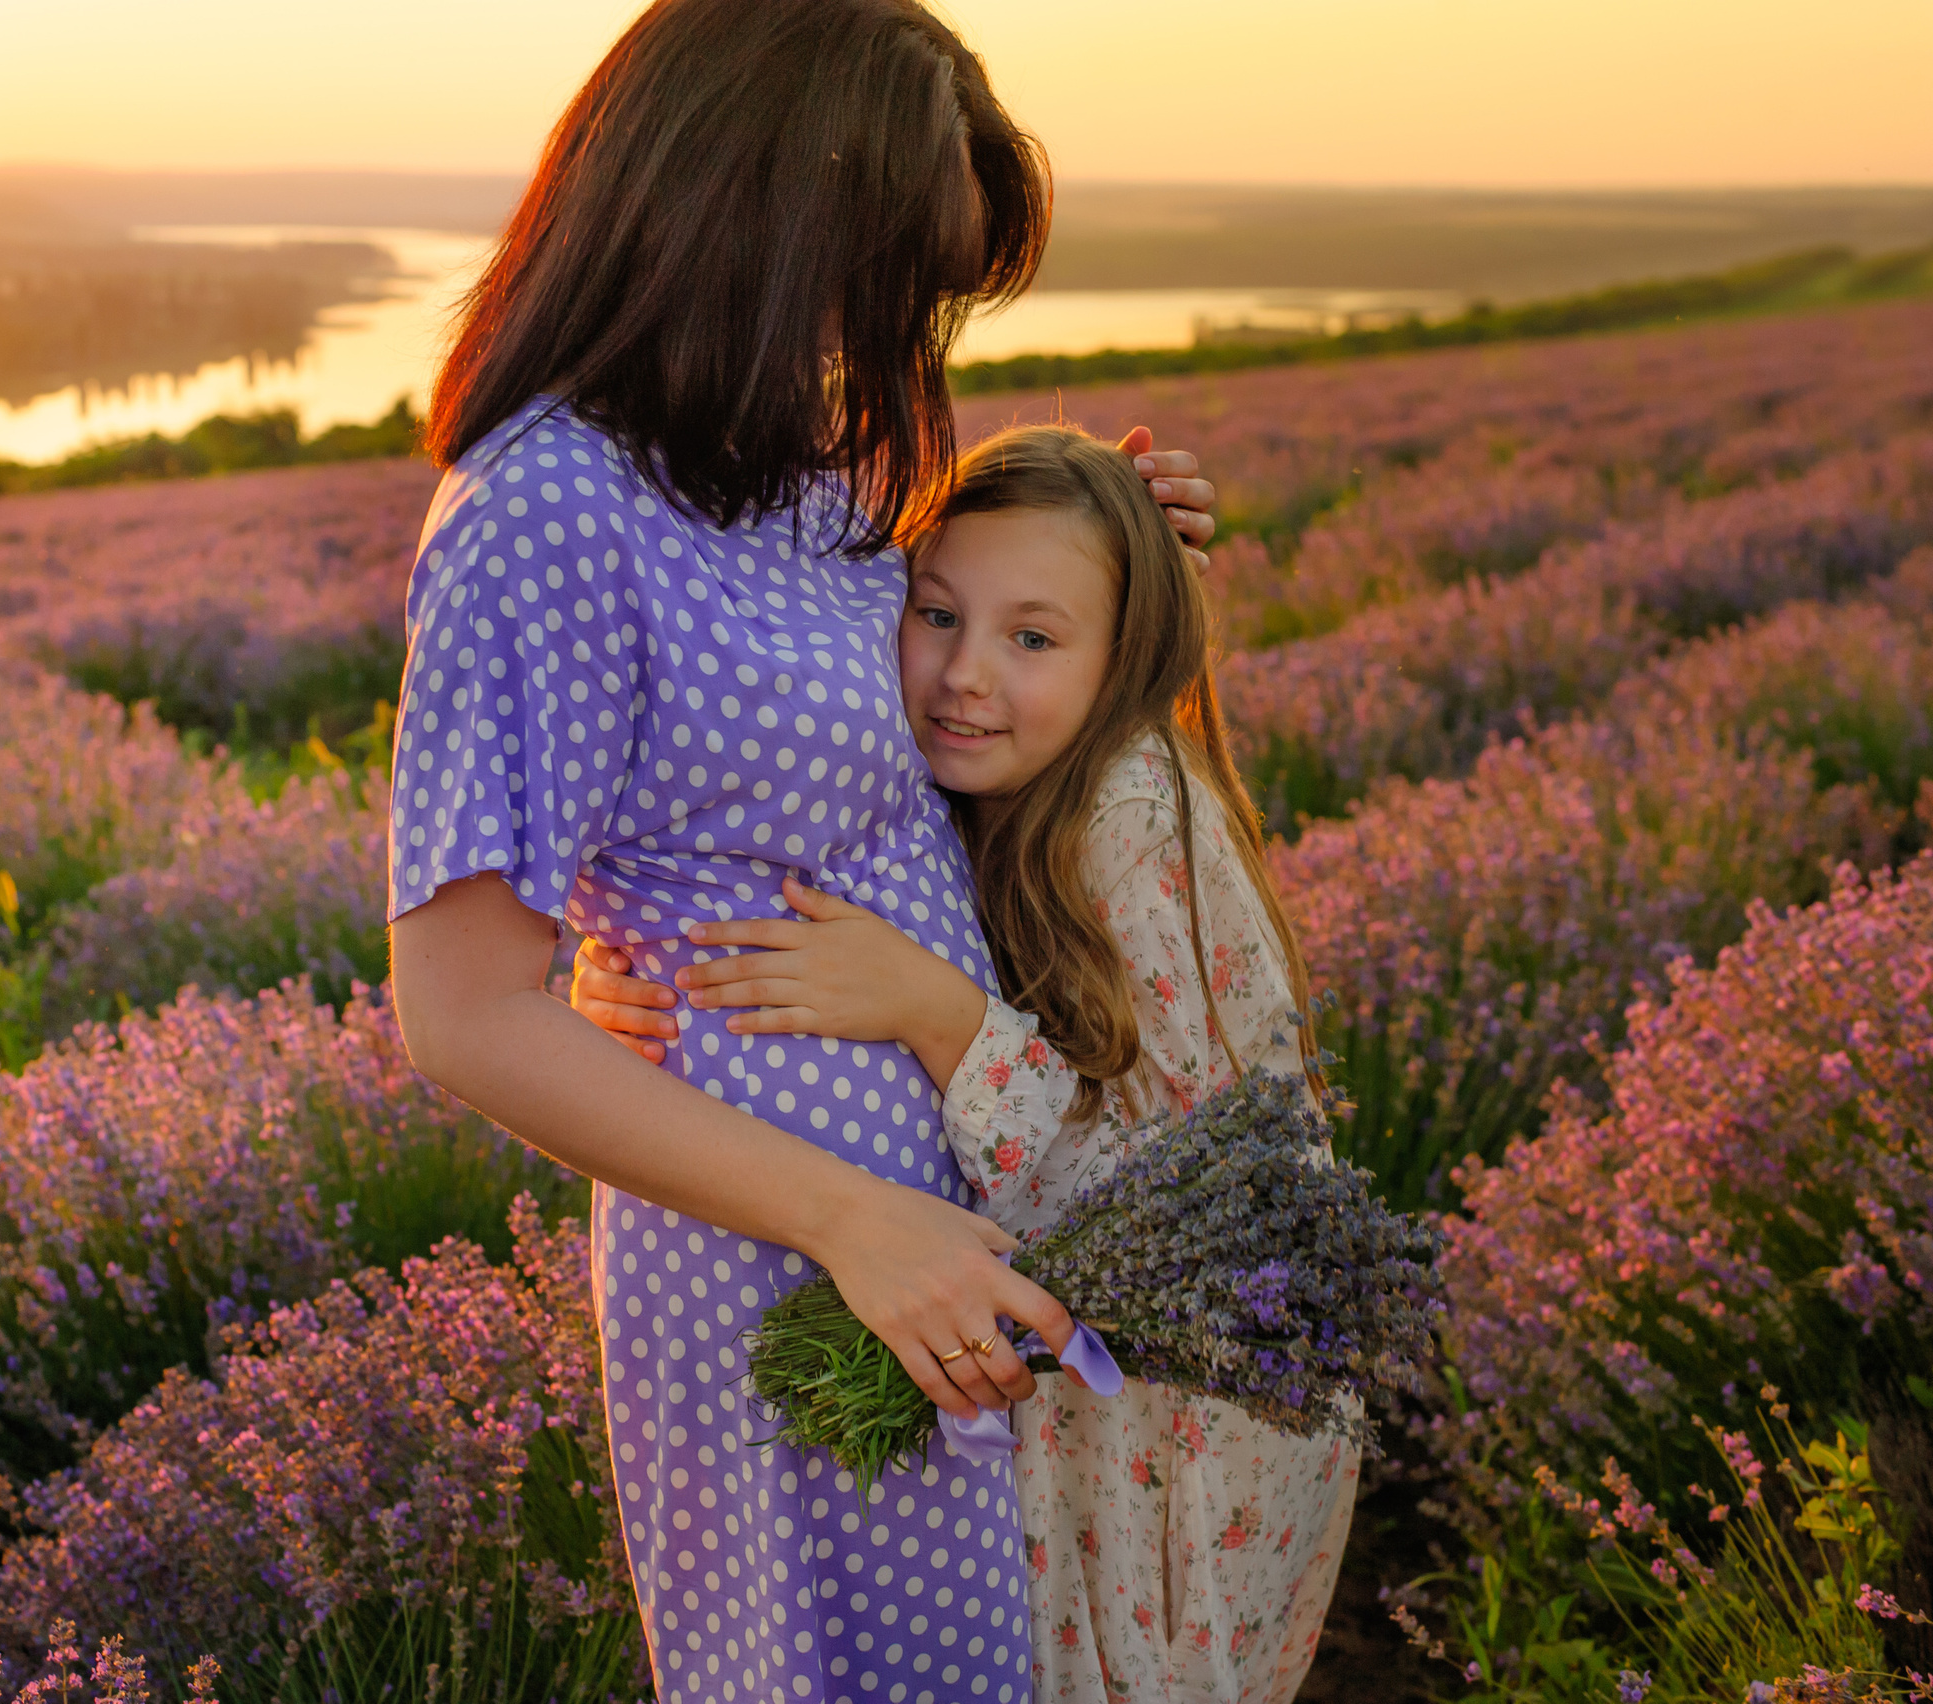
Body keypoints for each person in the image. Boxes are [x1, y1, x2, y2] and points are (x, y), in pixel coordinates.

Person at [382, 3, 1219, 1698]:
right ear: (751, 216)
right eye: (887, 276)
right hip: (784, 1265)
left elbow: (899, 729)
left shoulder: (791, 469)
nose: (897, 331)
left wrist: (1104, 543)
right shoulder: (545, 510)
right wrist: (859, 1217)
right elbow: (464, 1008)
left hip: (946, 1226)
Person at [571, 425, 1356, 1703]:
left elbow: (1194, 1199)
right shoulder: (955, 787)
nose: (961, 676)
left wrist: (938, 1015)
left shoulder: (1131, 815)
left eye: (1032, 639)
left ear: (1125, 665)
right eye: (935, 614)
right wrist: (627, 971)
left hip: (1170, 1444)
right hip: (1064, 1424)